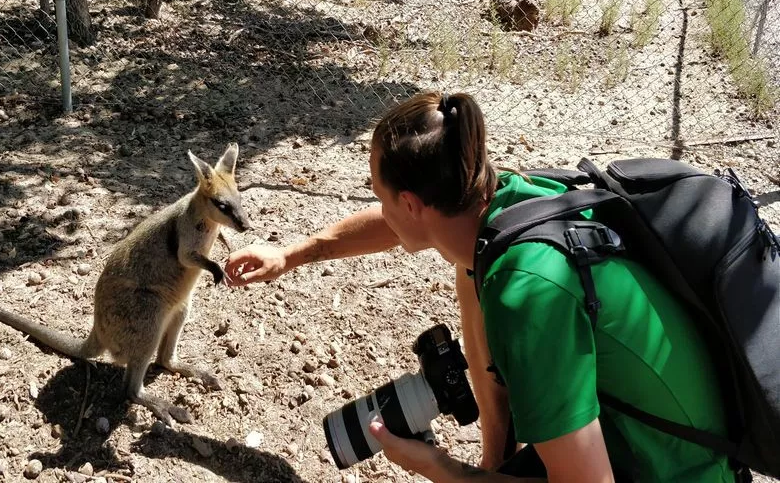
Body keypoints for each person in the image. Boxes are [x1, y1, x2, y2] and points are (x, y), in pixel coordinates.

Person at [224, 91, 738, 483]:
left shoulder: (527, 294)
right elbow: (397, 226)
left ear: (411, 203)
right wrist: (295, 253)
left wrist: (441, 468)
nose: (381, 210)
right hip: (656, 443)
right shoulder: (505, 202)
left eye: (381, 196)